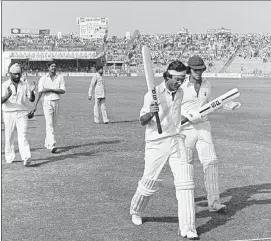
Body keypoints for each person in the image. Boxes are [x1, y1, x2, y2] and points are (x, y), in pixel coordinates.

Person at [130, 61, 198, 239]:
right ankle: (135, 211)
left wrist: (190, 118)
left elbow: (175, 117)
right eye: (177, 79)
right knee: (150, 181)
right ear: (167, 77)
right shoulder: (152, 94)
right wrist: (151, 113)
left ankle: (188, 227)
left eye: (183, 79)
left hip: (176, 139)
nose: (180, 83)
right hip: (156, 142)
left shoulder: (181, 92)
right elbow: (142, 121)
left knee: (186, 182)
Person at [179, 55, 241, 213]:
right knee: (186, 164)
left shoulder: (207, 84)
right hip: (186, 129)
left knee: (211, 162)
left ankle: (214, 202)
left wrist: (228, 105)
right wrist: (183, 118)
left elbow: (210, 104)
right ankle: (184, 197)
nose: (199, 73)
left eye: (201, 70)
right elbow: (172, 106)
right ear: (189, 70)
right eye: (195, 70)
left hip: (204, 127)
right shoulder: (181, 86)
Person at [1, 63, 36, 166]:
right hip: (8, 113)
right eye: (15, 74)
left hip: (21, 112)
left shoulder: (25, 84)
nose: (17, 76)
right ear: (10, 74)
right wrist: (8, 95)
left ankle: (26, 157)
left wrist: (32, 91)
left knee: (23, 135)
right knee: (9, 136)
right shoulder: (4, 85)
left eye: (19, 74)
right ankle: (9, 156)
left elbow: (31, 99)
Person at [29, 61, 66, 153]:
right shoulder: (43, 78)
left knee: (54, 124)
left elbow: (63, 91)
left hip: (56, 102)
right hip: (47, 102)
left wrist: (50, 89)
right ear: (48, 68)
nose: (53, 68)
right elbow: (41, 92)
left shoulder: (60, 78)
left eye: (55, 66)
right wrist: (35, 105)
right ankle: (52, 144)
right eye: (52, 66)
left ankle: (47, 143)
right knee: (49, 124)